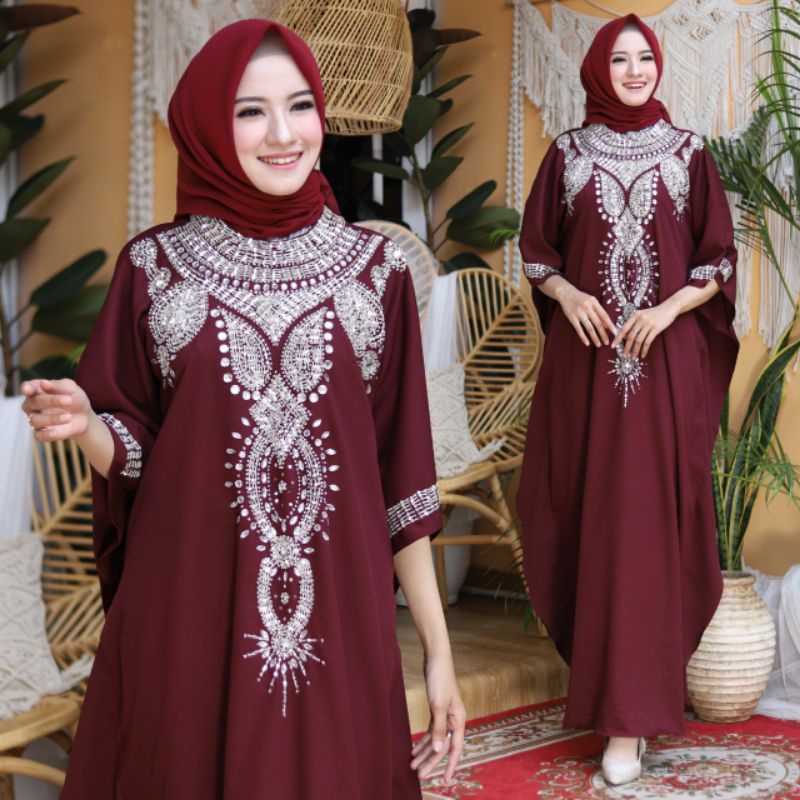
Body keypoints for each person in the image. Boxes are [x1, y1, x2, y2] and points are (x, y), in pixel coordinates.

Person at [21, 20, 465, 799]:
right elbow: (138, 451)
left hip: (338, 622)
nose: (284, 134)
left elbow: (403, 485)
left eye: (300, 105)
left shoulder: (378, 273)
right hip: (188, 612)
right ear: (207, 128)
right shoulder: (153, 269)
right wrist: (87, 425)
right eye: (250, 112)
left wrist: (438, 652)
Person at [517, 14, 738, 786]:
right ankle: (614, 706)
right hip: (586, 373)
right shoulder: (568, 155)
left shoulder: (689, 155)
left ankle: (631, 719)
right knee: (594, 521)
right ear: (597, 69)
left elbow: (717, 259)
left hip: (662, 368)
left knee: (649, 527)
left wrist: (668, 310)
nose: (637, 69)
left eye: (647, 57)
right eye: (621, 58)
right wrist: (570, 294)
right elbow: (536, 252)